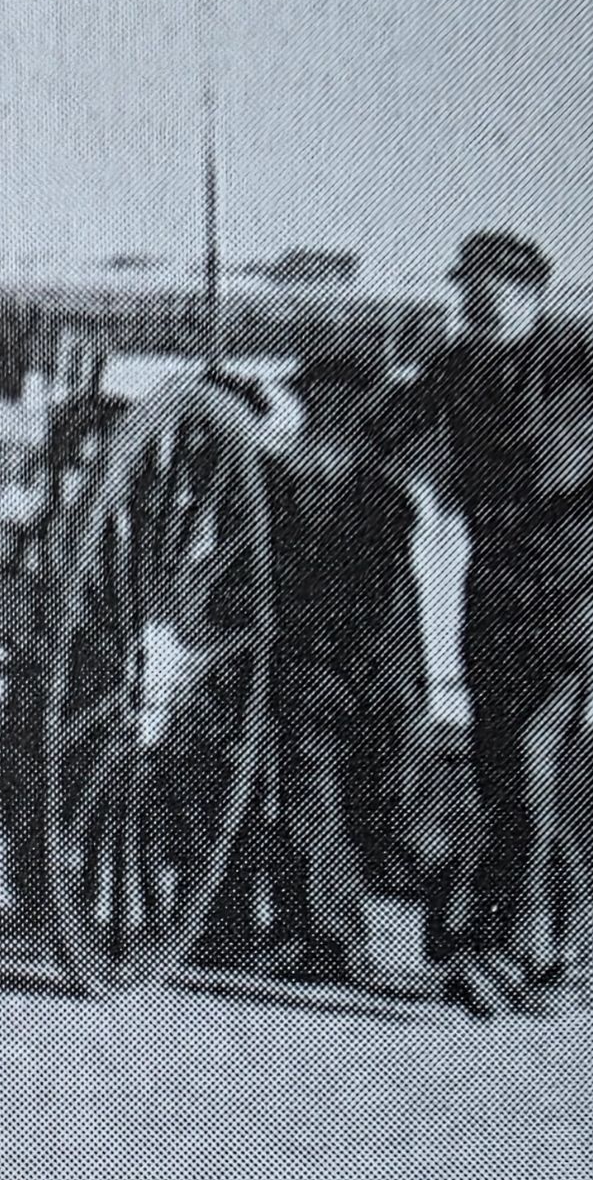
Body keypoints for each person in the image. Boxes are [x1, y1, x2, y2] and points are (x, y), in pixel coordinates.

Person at [387, 229, 593, 1017]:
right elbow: (384, 425)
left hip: (577, 583)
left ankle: (503, 946)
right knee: (503, 764)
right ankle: (572, 936)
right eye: (467, 289)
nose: (475, 302)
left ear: (529, 293)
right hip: (494, 580)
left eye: (489, 289)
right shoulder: (459, 366)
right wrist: (288, 429)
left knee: (527, 755)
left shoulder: (592, 356)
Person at [258, 346, 445, 984]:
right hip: (312, 670)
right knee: (314, 801)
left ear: (365, 412)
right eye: (317, 402)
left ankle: (468, 917)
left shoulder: (384, 494)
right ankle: (333, 938)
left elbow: (375, 591)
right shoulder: (274, 478)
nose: (326, 414)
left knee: (392, 815)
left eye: (342, 404)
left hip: (382, 674)